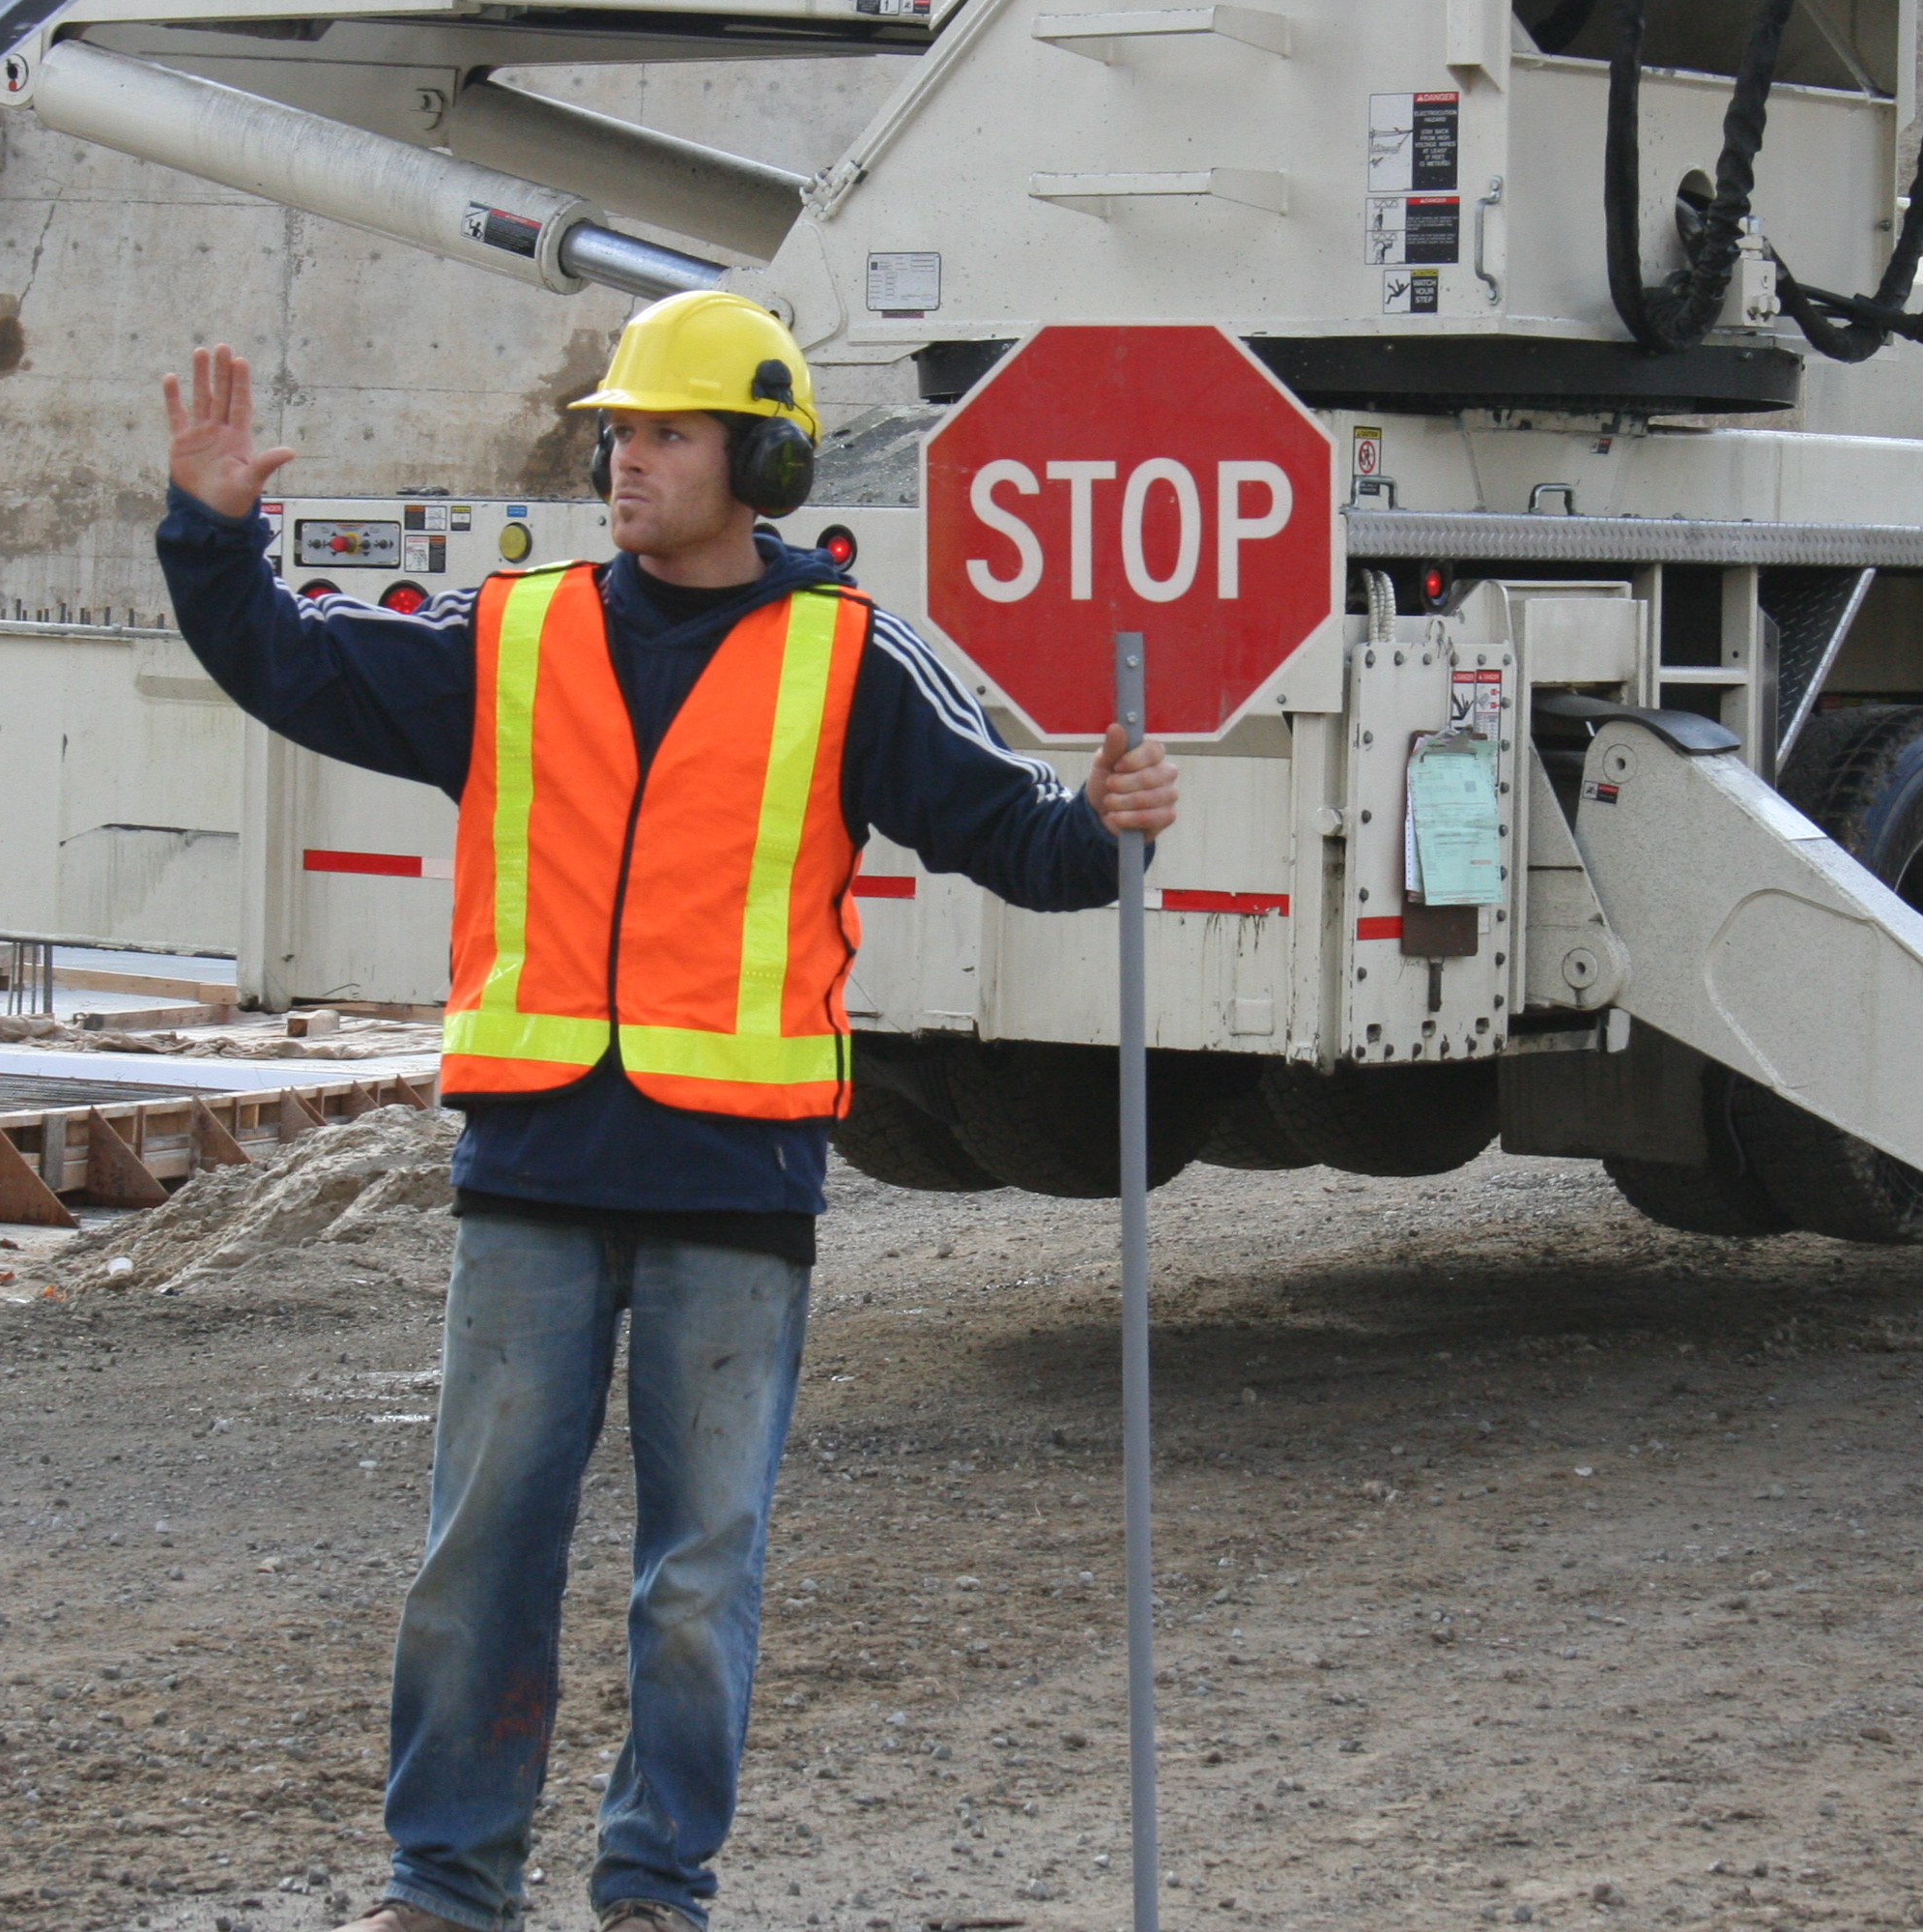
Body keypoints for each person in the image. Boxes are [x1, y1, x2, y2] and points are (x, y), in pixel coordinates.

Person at [157, 289, 1178, 1932]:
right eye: (620, 433)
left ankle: (653, 1890)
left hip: (735, 1184)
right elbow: (291, 663)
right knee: (481, 1555)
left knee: (699, 1578)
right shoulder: (513, 636)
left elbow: (1015, 836)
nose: (628, 461)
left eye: (668, 433)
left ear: (759, 461)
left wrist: (1109, 826)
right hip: (533, 1173)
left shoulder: (850, 657)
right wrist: (212, 538)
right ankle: (446, 1887)